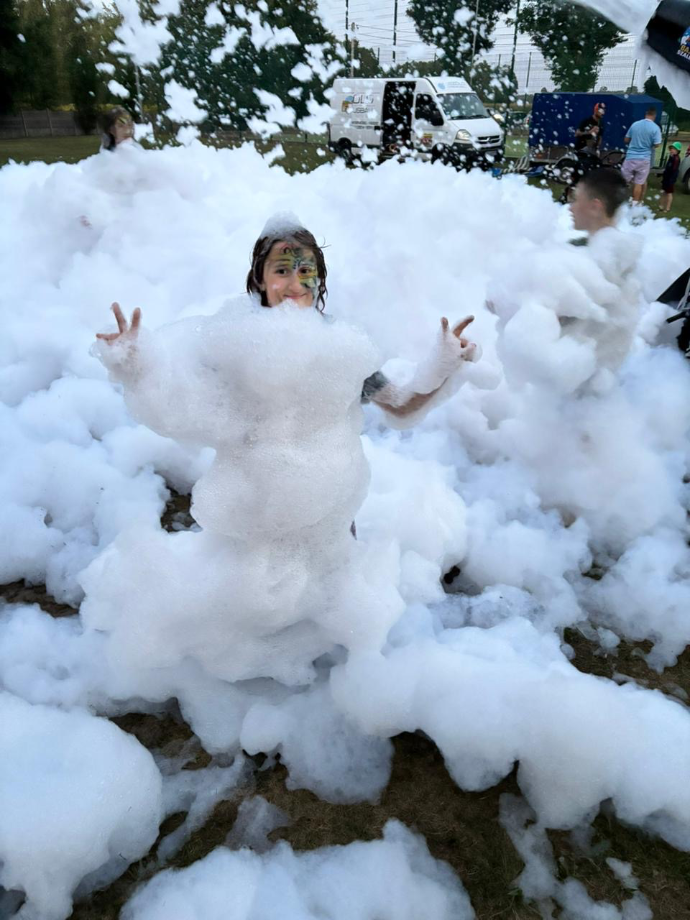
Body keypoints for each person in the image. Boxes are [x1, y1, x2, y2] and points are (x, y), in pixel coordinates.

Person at [95, 219, 483, 535]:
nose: (295, 284)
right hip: (250, 515)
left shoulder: (340, 347)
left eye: (305, 271)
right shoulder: (231, 342)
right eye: (281, 270)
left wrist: (443, 364)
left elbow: (400, 405)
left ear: (319, 278)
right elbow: (179, 408)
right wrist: (137, 365)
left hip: (328, 518)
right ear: (260, 278)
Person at [565, 168, 641, 375]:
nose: (570, 207)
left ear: (595, 207)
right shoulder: (606, 247)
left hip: (586, 371)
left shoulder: (605, 258)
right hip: (599, 367)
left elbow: (564, 315)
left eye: (575, 199)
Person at [621, 107, 662, 204]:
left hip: (631, 157)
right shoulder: (655, 128)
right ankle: (635, 204)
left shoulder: (635, 124)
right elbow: (657, 144)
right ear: (654, 116)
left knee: (624, 181)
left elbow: (626, 140)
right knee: (639, 183)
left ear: (646, 114)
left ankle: (622, 201)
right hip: (644, 159)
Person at [660, 141, 683, 213]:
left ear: (677, 150)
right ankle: (661, 206)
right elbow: (668, 167)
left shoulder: (676, 159)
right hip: (666, 178)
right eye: (671, 148)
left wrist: (671, 180)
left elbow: (673, 170)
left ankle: (667, 208)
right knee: (664, 192)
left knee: (669, 193)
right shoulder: (671, 157)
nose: (671, 150)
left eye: (673, 149)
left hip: (670, 179)